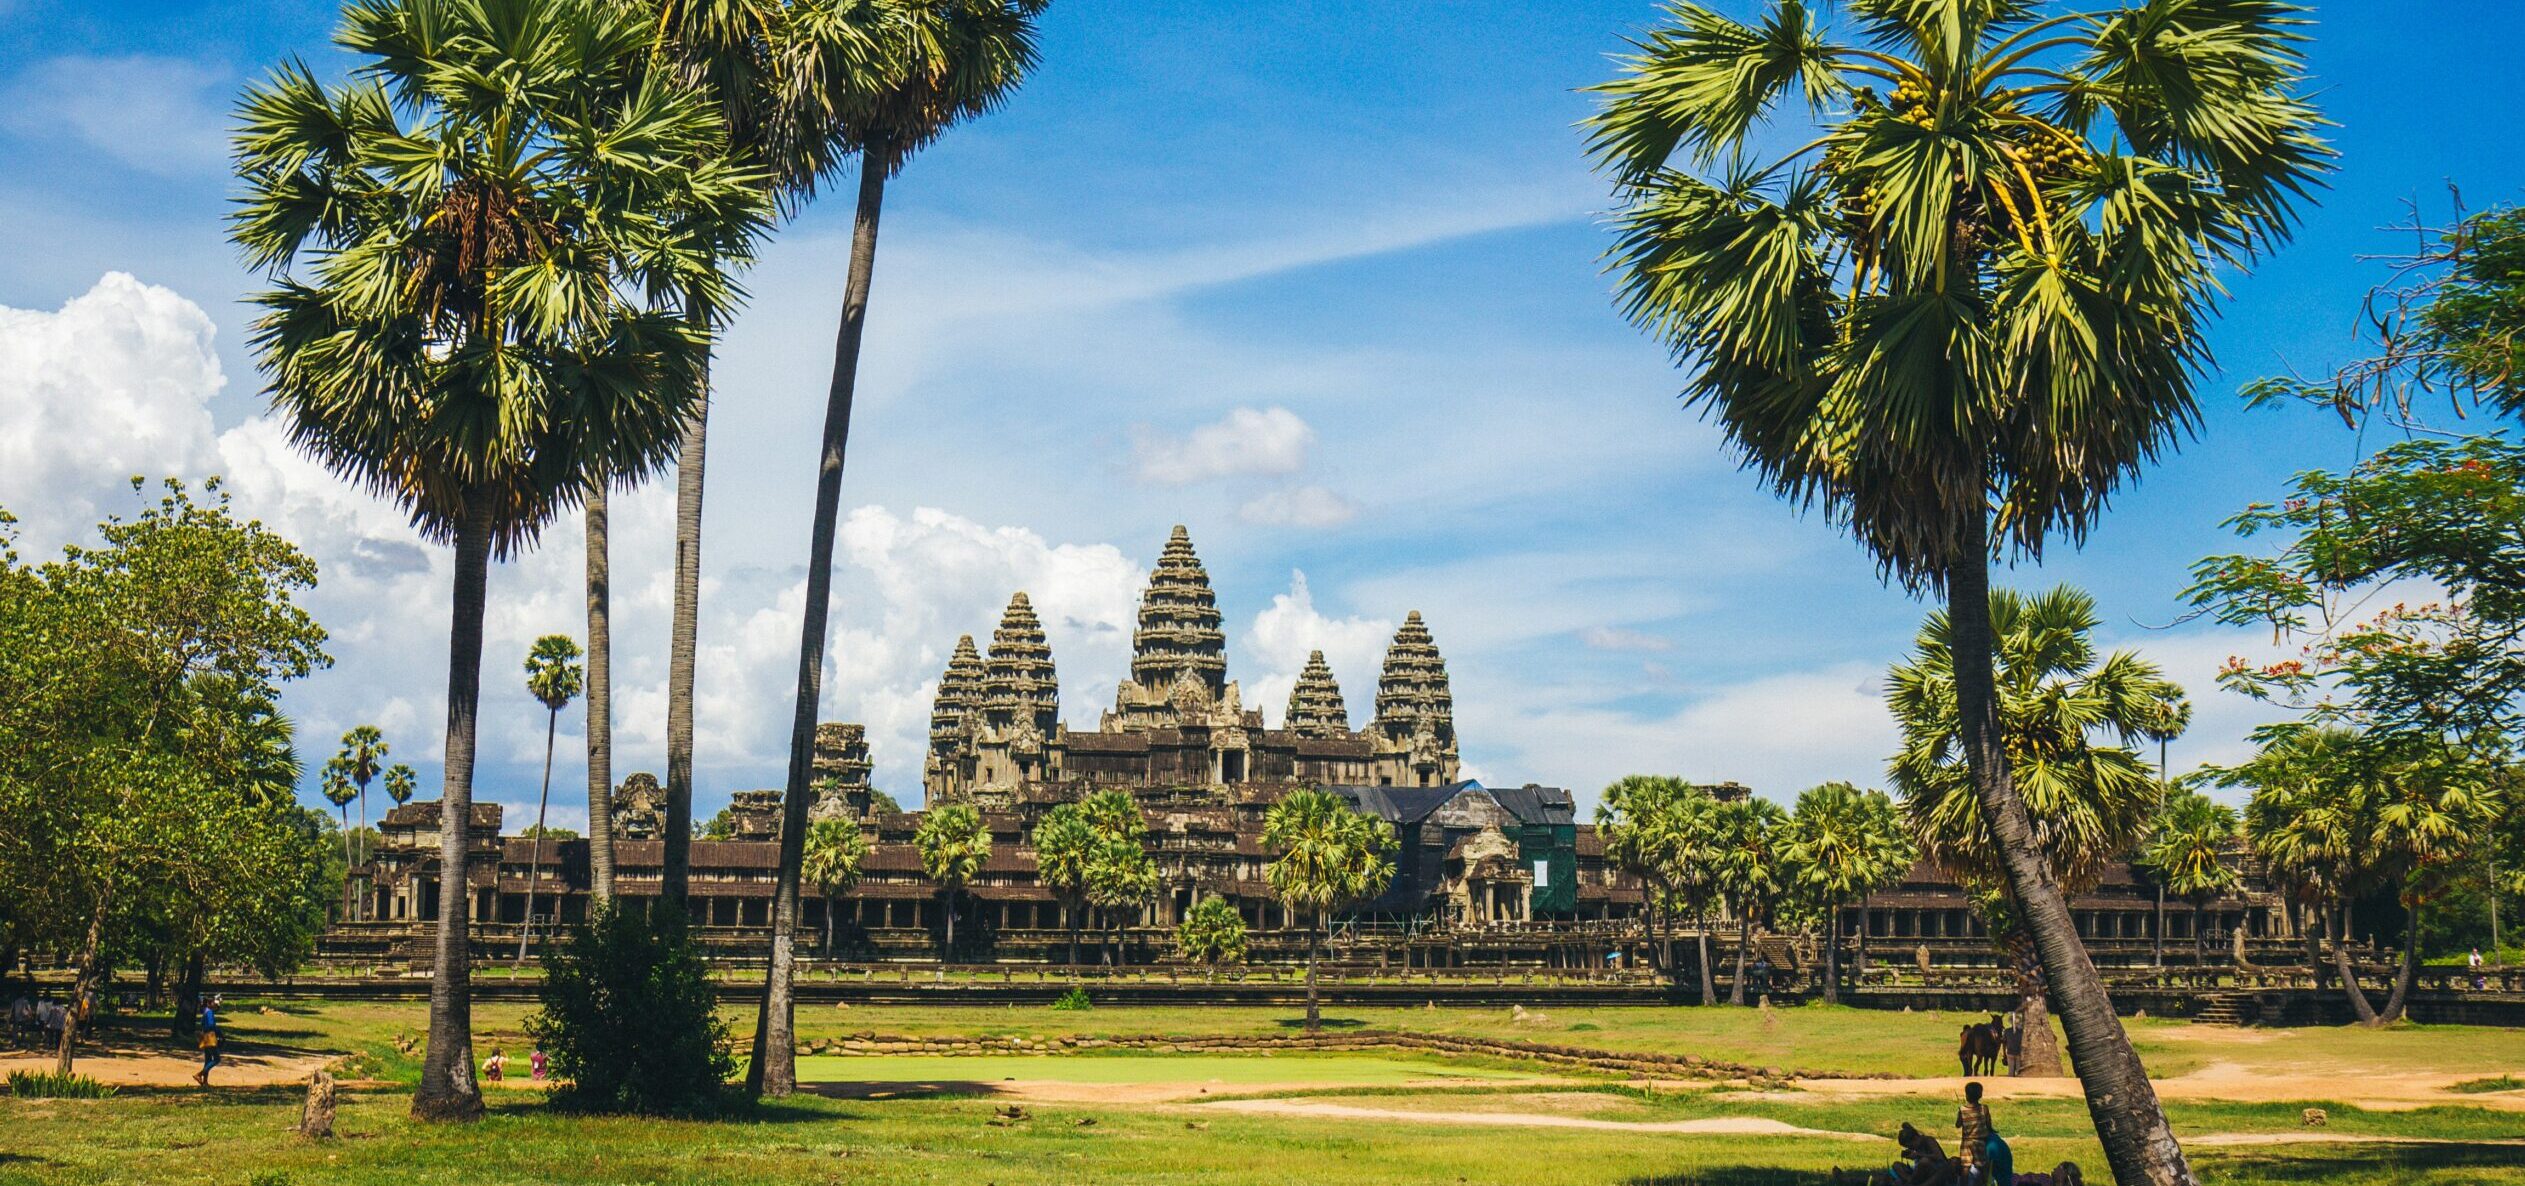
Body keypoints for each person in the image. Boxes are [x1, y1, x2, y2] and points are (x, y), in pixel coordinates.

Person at [1956, 1081, 1992, 1183]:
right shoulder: (1984, 1109)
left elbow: (1958, 1125)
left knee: (1965, 1168)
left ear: (1967, 1095)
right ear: (1980, 1095)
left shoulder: (1962, 1109)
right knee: (1983, 1166)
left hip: (1966, 1142)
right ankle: (1986, 1183)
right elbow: (1988, 1124)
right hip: (1980, 1142)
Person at [193, 996, 221, 1087]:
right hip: (210, 1037)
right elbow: (211, 1025)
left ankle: (205, 1082)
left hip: (204, 1037)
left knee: (208, 1059)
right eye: (213, 1003)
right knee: (217, 1059)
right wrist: (219, 1033)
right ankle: (200, 1074)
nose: (214, 1004)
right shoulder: (210, 1013)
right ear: (209, 1004)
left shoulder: (205, 1012)